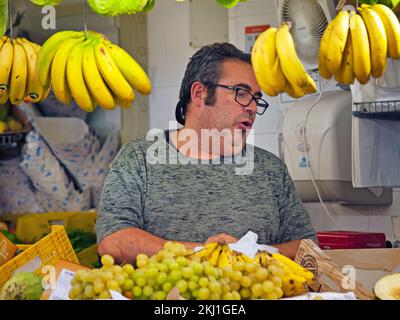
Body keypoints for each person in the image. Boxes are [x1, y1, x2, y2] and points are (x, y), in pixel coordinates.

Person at [96, 43, 317, 264]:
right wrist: (207, 253)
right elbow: (113, 242)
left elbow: (308, 247)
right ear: (200, 94)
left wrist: (251, 255)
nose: (251, 107)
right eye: (241, 93)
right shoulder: (137, 159)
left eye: (256, 98)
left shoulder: (270, 169)